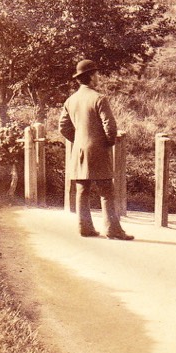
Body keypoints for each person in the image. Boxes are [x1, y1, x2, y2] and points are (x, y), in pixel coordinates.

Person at [58, 60, 133, 240]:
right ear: (91, 77)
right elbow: (110, 126)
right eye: (96, 74)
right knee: (107, 191)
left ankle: (85, 228)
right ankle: (112, 230)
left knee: (82, 190)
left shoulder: (70, 100)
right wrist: (107, 142)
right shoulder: (99, 98)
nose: (98, 77)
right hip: (98, 150)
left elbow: (63, 127)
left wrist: (78, 141)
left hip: (79, 151)